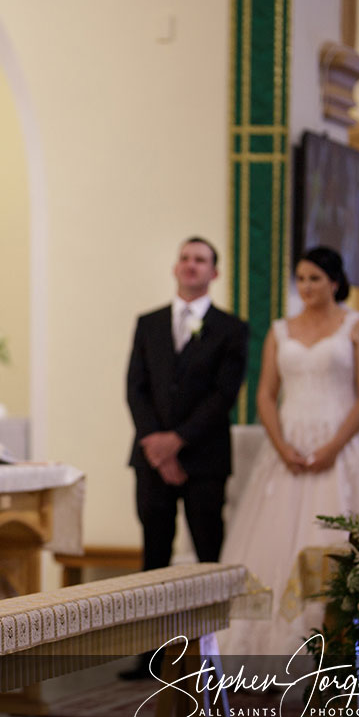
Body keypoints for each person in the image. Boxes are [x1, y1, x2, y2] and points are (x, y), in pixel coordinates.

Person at [218, 246, 359, 663]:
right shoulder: (281, 330)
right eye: (300, 278)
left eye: (315, 279)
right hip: (288, 450)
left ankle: (338, 653)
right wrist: (282, 445)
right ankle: (265, 652)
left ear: (335, 282)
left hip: (341, 446)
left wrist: (333, 446)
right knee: (272, 546)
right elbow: (266, 394)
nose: (306, 287)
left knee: (334, 540)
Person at [127, 237, 250, 576]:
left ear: (214, 273)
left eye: (200, 259)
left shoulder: (231, 329)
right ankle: (151, 628)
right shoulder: (148, 323)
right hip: (151, 458)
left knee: (209, 554)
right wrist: (157, 445)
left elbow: (223, 394)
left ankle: (212, 631)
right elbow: (135, 388)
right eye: (185, 258)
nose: (190, 264)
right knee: (154, 554)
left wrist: (177, 441)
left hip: (204, 456)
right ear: (175, 268)